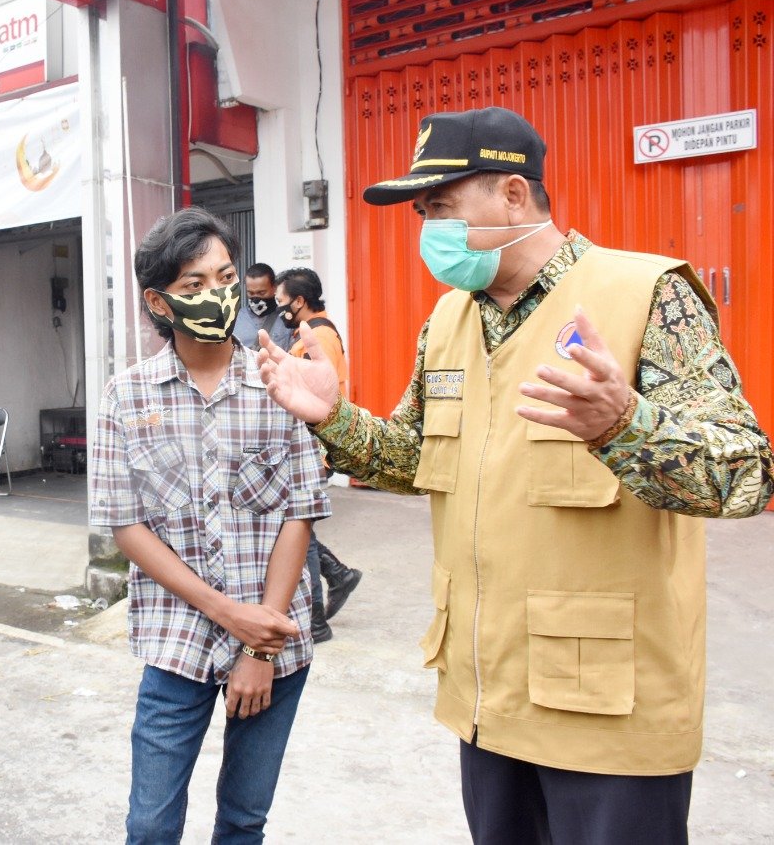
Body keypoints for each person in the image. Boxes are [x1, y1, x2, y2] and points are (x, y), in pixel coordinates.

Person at [257, 106, 774, 844]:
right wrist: (334, 418)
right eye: (423, 212)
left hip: (608, 714)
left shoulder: (647, 295)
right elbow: (413, 457)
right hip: (487, 698)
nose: (429, 228)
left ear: (512, 194)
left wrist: (626, 427)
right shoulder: (448, 322)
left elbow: (747, 472)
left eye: (441, 205)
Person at [89, 208, 330, 843]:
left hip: (275, 646)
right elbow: (126, 526)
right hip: (176, 644)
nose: (217, 294)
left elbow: (300, 511)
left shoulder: (279, 381)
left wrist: (257, 645)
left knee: (243, 821)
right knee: (150, 826)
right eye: (192, 286)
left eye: (224, 277)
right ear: (158, 301)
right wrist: (228, 614)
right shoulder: (126, 396)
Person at [272, 267, 363, 642]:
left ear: (299, 301)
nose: (278, 309)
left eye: (281, 302)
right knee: (296, 526)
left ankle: (316, 622)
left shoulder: (318, 336)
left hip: (312, 444)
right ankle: (339, 575)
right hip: (308, 443)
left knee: (298, 528)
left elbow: (310, 396)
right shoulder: (312, 332)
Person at [232, 263, 292, 352]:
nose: (256, 297)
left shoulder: (287, 318)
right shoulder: (235, 318)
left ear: (274, 288)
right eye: (251, 293)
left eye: (262, 293)